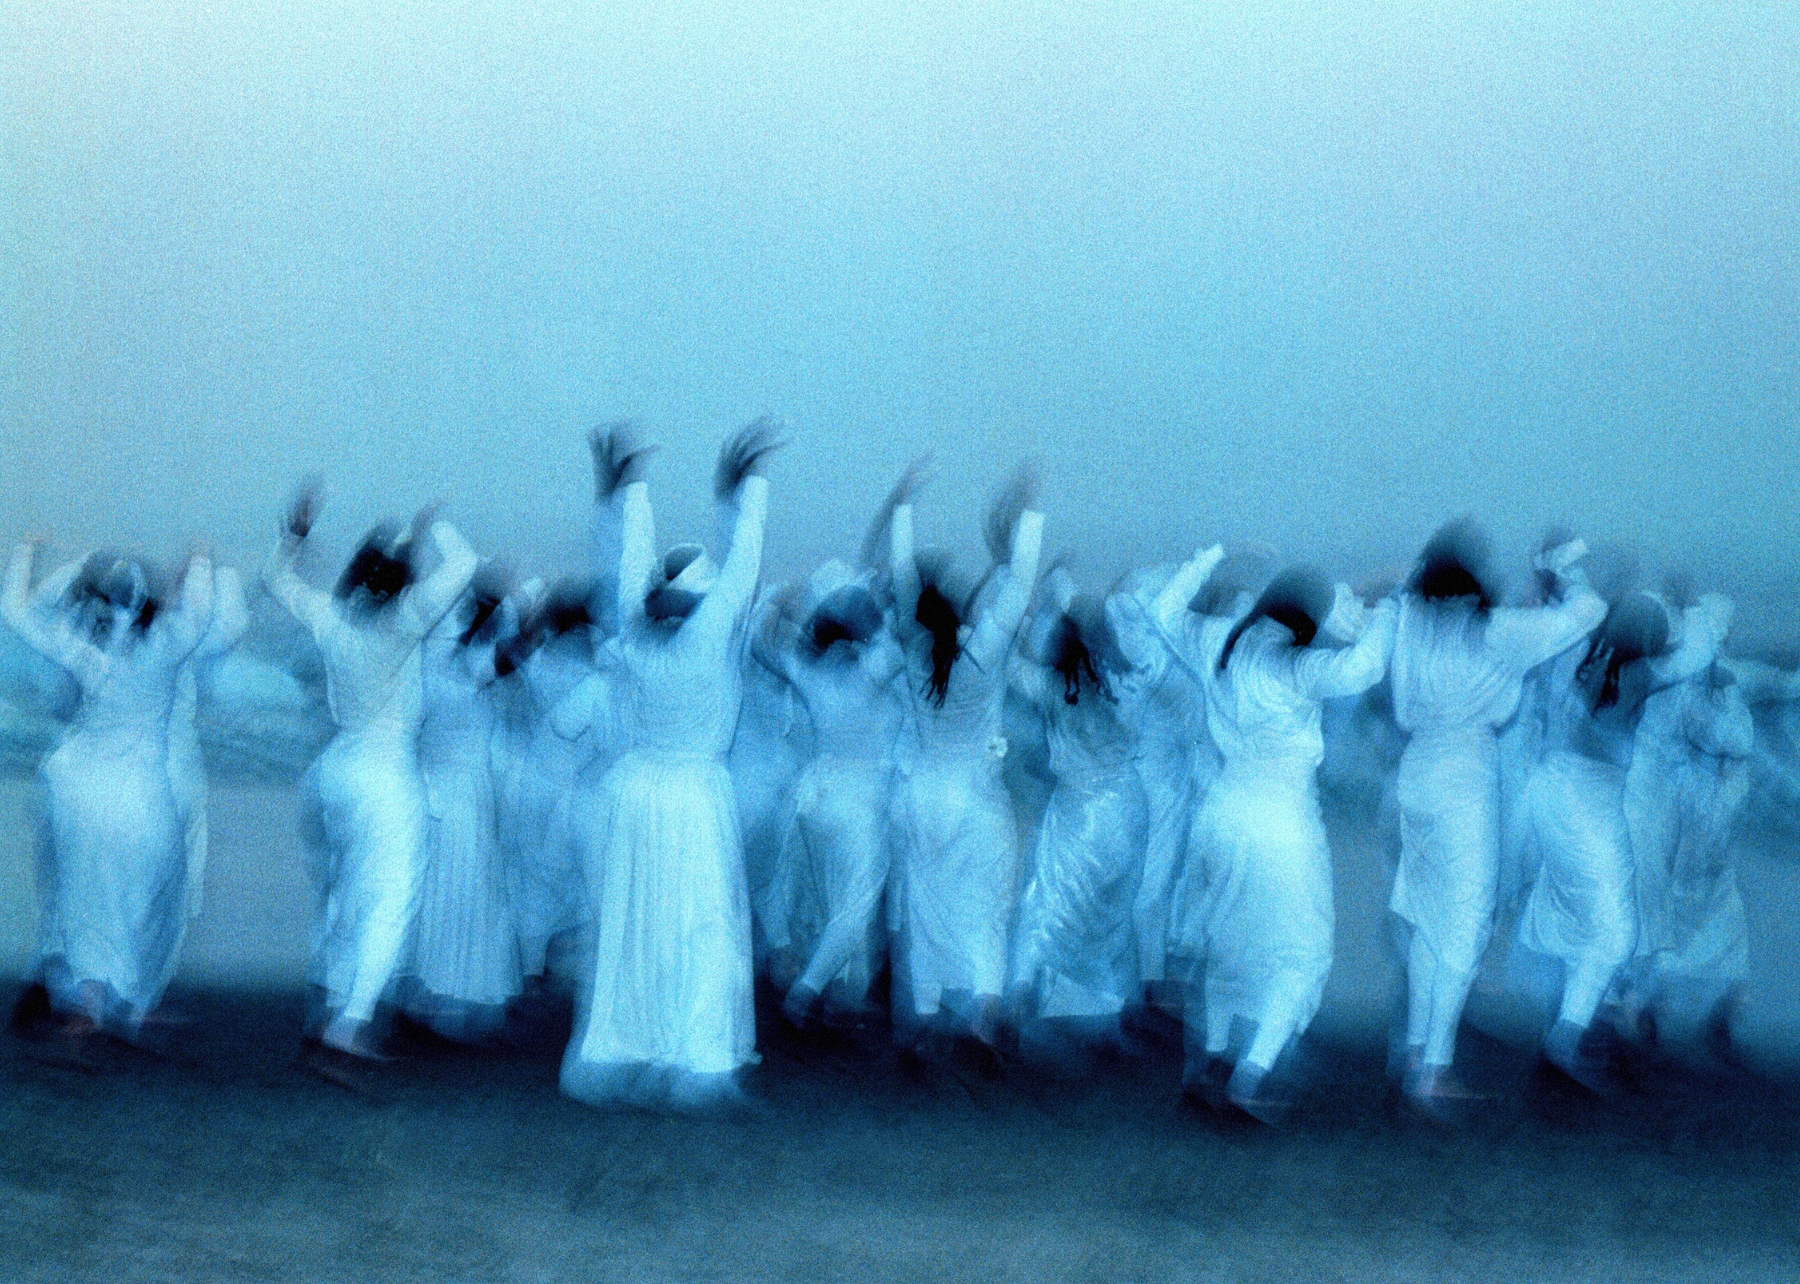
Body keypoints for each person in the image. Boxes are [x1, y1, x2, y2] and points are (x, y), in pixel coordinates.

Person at [559, 419, 783, 1112]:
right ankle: (695, 1059)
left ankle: (633, 1044)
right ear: (702, 597)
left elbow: (624, 561)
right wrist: (741, 491)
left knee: (635, 925)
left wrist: (622, 490)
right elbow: (743, 566)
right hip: (689, 795)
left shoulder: (635, 625)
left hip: (633, 793)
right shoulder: (706, 639)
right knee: (702, 927)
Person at [1385, 524, 1604, 1108]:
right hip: (1465, 778)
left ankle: (1414, 1051)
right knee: (1464, 926)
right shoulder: (1500, 632)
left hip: (1417, 772)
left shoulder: (1413, 624)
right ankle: (1433, 1070)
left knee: (1429, 918)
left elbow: (1404, 710)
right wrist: (1564, 570)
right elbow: (1589, 611)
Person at [264, 488, 478, 1068]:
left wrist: (294, 537)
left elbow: (276, 580)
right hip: (385, 775)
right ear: (404, 581)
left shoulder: (332, 618)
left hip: (334, 770)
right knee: (389, 899)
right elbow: (465, 567)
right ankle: (349, 1022)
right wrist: (432, 527)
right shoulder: (407, 620)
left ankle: (329, 1002)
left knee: (342, 894)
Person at [1174, 566, 1395, 1120]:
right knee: (1302, 956)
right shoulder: (1292, 668)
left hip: (1221, 812)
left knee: (1229, 946)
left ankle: (1214, 1062)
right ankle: (1248, 1079)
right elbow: (1366, 666)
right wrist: (1389, 608)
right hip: (1279, 826)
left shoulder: (1219, 644)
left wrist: (1218, 556)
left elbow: (1162, 610)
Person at [3, 541, 215, 1040]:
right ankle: (122, 1004)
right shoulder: (165, 645)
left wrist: (30, 554)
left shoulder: (84, 647)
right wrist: (196, 565)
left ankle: (90, 1006)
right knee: (153, 897)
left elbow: (13, 609)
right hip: (141, 794)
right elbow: (202, 613)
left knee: (88, 901)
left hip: (79, 786)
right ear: (147, 604)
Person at [1513, 590, 1724, 1089]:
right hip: (1588, 799)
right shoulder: (1640, 674)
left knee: (1575, 914)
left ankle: (1566, 1032)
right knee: (1615, 932)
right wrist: (1701, 611)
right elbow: (1695, 655)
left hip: (1546, 790)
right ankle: (1565, 1038)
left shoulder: (1577, 659)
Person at [886, 466, 1043, 1052]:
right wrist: (1025, 521)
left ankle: (924, 1012)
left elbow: (902, 581)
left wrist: (901, 509)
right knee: (986, 904)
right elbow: (1020, 591)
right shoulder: (978, 659)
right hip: (974, 796)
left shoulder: (914, 649)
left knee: (927, 904)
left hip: (921, 794)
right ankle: (982, 1009)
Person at [754, 556, 907, 1027]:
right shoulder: (874, 669)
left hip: (814, 794)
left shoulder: (810, 670)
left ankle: (827, 987)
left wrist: (777, 607)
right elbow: (908, 630)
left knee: (822, 896)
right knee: (854, 905)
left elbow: (762, 646)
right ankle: (806, 992)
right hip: (858, 800)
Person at [1006, 567, 1149, 1038]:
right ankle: (1111, 1012)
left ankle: (1020, 998)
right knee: (1111, 913)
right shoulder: (1123, 686)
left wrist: (1033, 607)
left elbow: (1005, 660)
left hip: (1081, 814)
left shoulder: (1050, 689)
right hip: (1128, 810)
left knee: (1045, 903)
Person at [403, 570, 524, 1042]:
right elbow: (512, 655)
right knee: (466, 891)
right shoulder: (472, 666)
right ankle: (450, 997)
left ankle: (426, 994)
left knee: (437, 893)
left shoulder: (429, 657)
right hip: (466, 794)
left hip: (432, 784)